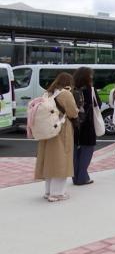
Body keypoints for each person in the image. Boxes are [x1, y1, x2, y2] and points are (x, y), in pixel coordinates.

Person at [35, 73, 79, 202]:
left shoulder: (48, 93)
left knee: (49, 160)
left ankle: (48, 191)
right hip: (61, 129)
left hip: (48, 130)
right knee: (61, 160)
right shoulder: (66, 94)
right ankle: (57, 193)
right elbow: (72, 112)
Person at [72, 67, 100, 186]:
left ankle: (76, 176)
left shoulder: (73, 89)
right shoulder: (89, 89)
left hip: (76, 124)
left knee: (77, 152)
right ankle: (82, 177)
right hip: (88, 124)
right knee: (87, 150)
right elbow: (98, 103)